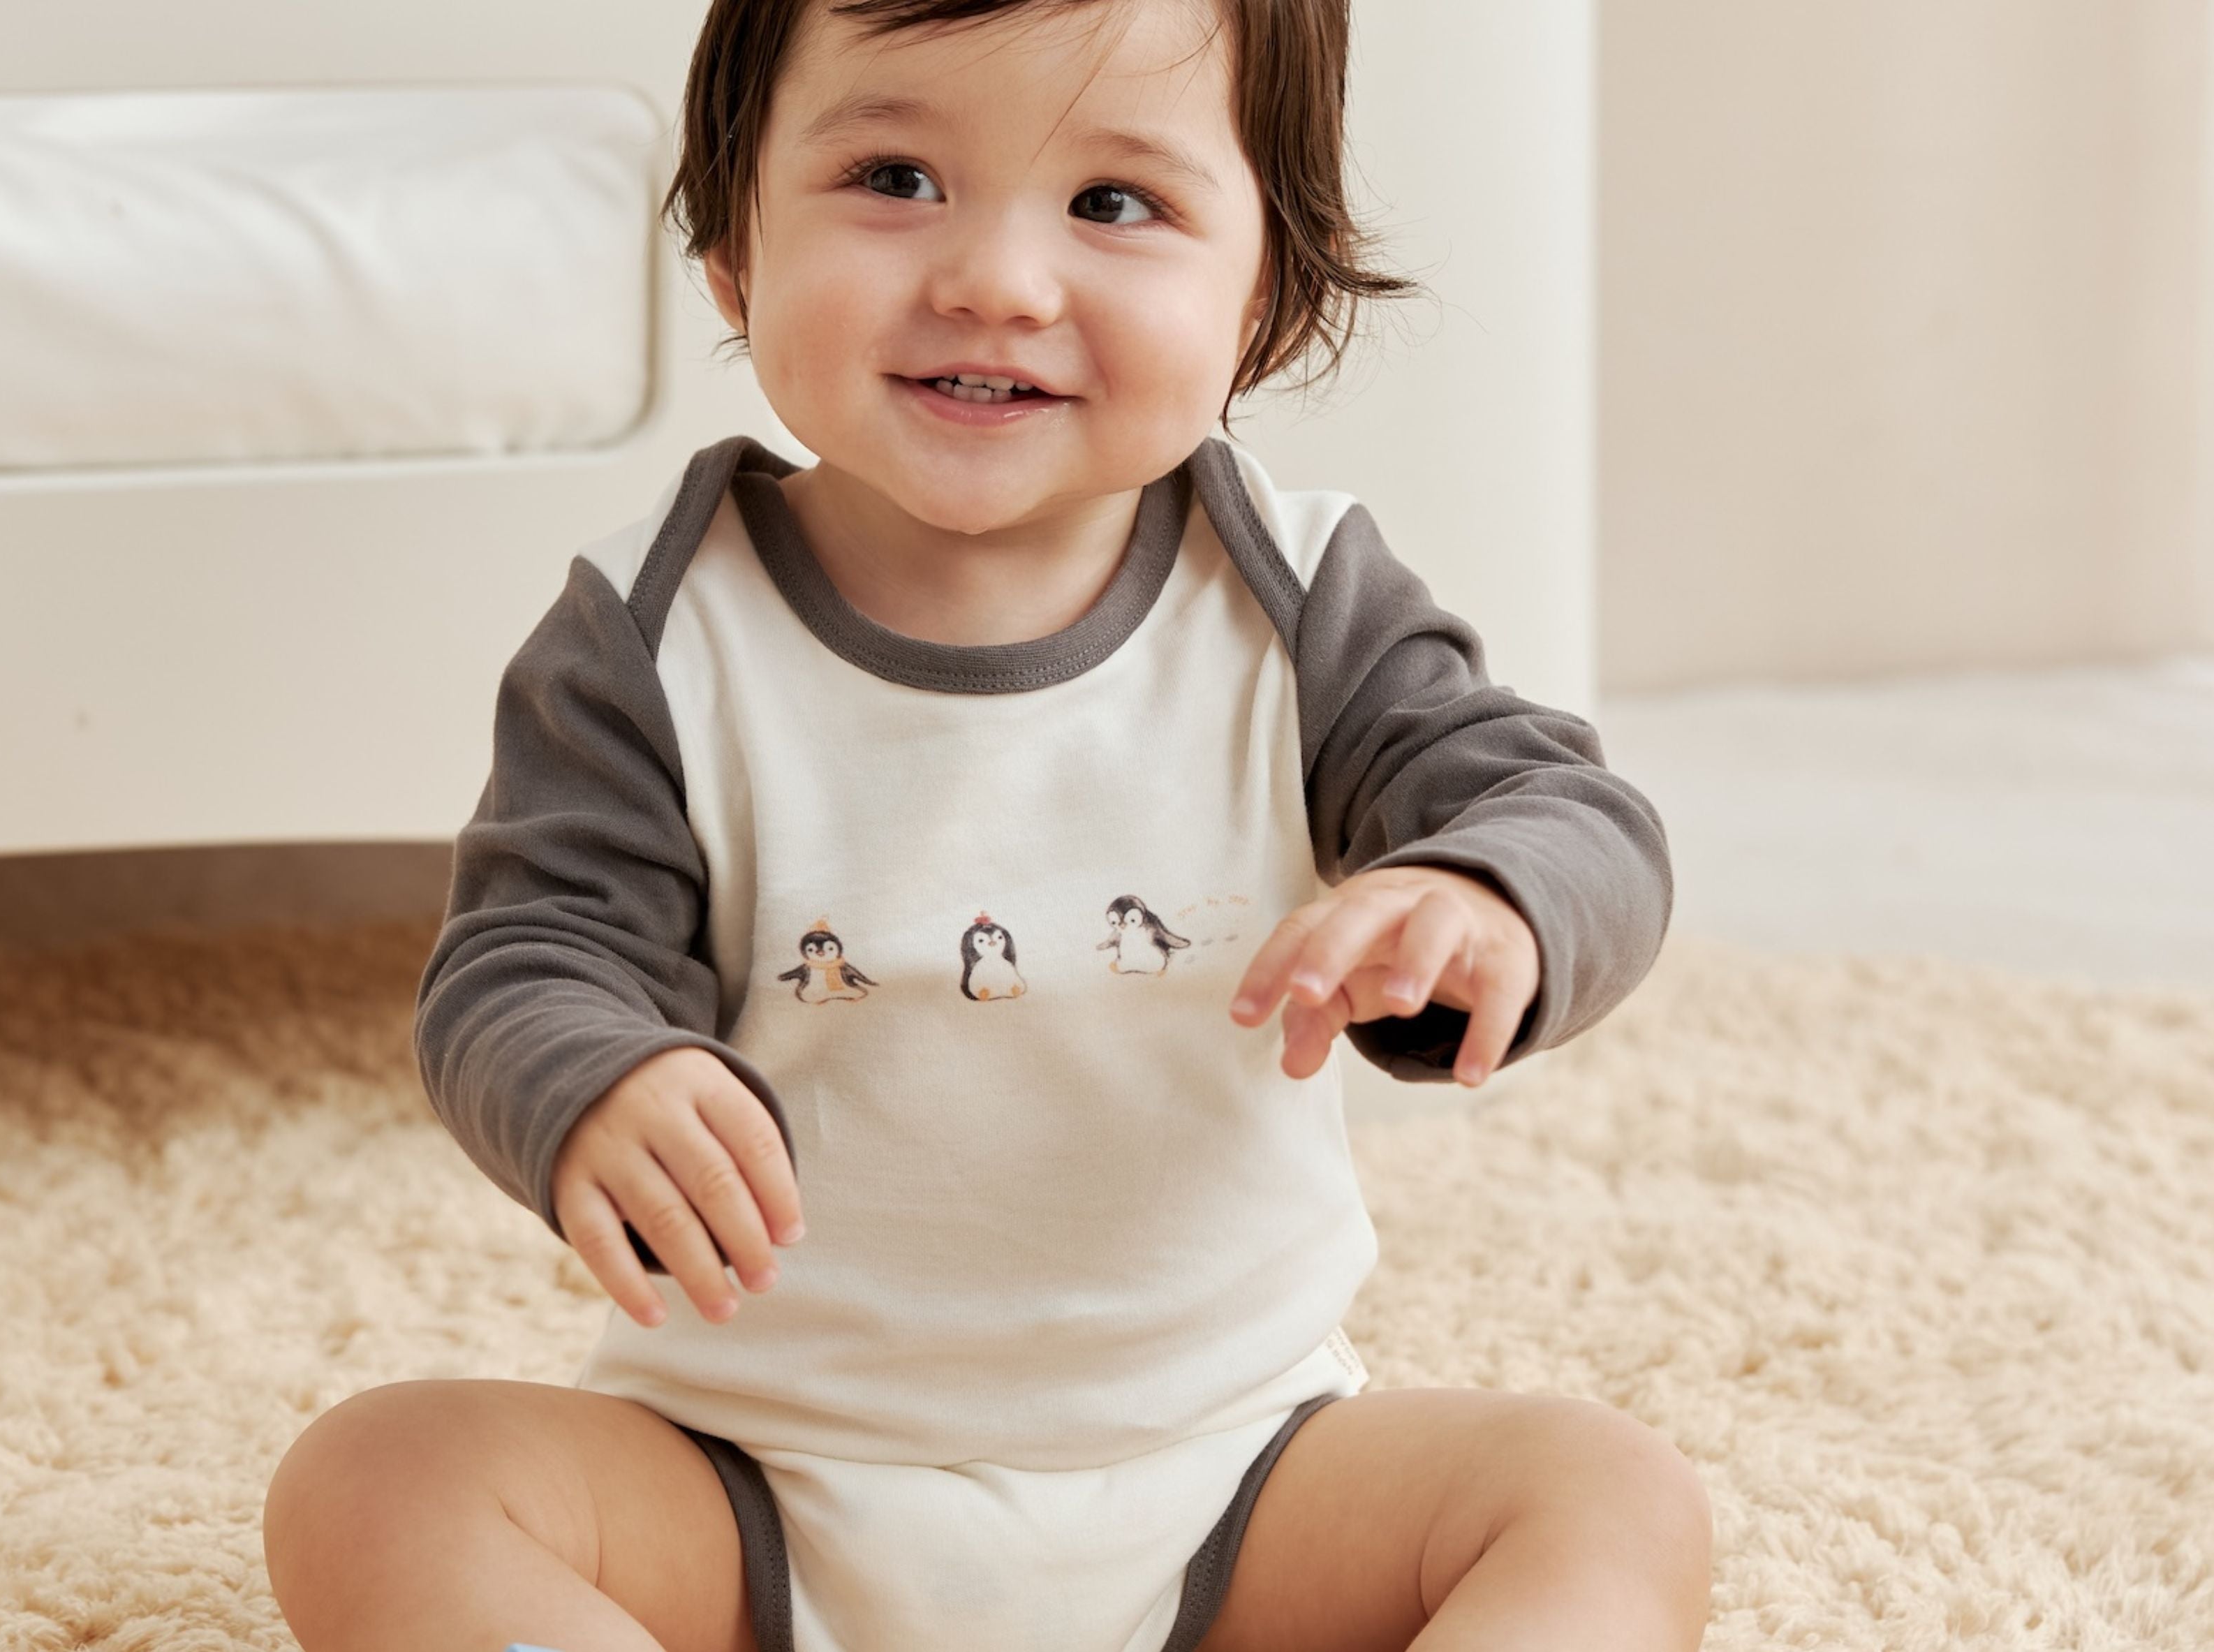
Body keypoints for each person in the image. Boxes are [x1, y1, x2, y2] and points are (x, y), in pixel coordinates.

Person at [262, 2, 1711, 1649]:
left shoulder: (1299, 602)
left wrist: (1484, 893)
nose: (995, 283)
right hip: (751, 1480)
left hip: (1230, 1472)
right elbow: (521, 956)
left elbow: (1569, 808)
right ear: (731, 246)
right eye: (894, 176)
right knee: (378, 1479)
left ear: (1266, 297)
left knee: (1607, 1493)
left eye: (1112, 205)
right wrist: (594, 1075)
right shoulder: (653, 633)